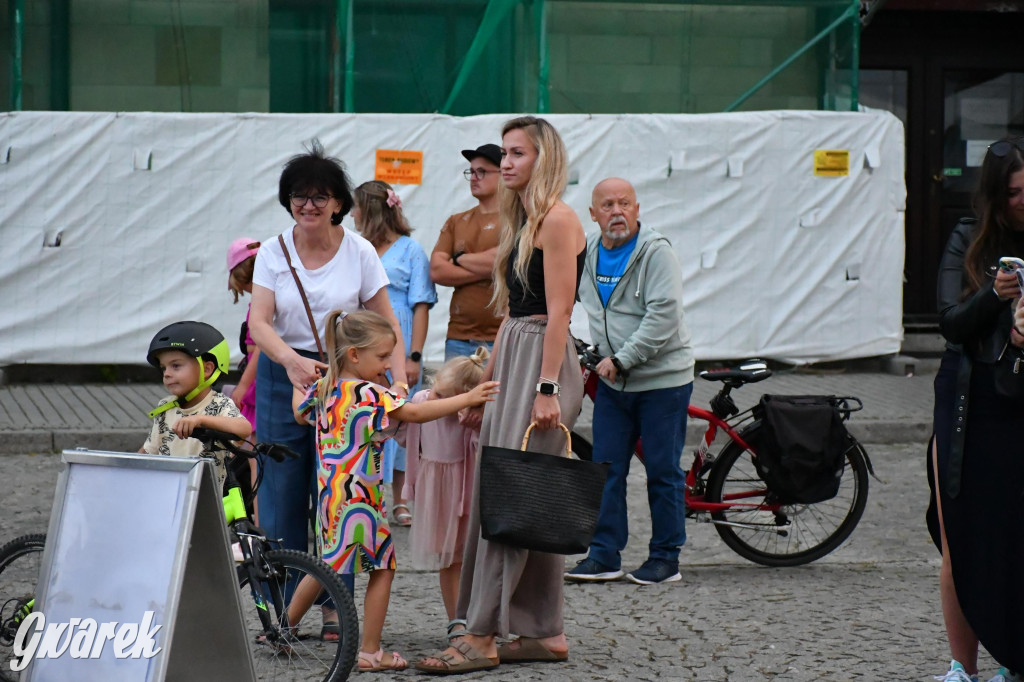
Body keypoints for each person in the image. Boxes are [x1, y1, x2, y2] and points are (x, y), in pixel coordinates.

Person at [416, 115, 586, 674]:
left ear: (544, 159)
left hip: (543, 361)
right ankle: (543, 631)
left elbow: (558, 310)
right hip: (515, 355)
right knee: (524, 496)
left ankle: (483, 634)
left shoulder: (558, 220)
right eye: (504, 153)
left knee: (512, 498)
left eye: (517, 154)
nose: (505, 162)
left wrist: (544, 389)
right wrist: (489, 381)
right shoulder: (523, 220)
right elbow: (514, 311)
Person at [289, 310, 499, 672]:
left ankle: (283, 629)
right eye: (383, 356)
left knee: (325, 565)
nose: (389, 363)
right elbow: (414, 414)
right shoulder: (370, 392)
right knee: (382, 570)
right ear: (355, 355)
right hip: (362, 501)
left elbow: (299, 413)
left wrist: (298, 384)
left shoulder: (328, 388)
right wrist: (467, 399)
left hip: (331, 499)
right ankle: (370, 652)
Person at [249, 140, 409, 569]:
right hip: (280, 373)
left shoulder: (359, 250)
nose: (309, 204)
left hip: (345, 375)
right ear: (288, 200)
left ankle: (334, 605)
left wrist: (399, 383)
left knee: (339, 490)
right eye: (299, 195)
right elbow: (259, 323)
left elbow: (388, 322)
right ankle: (283, 608)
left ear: (339, 202)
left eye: (320, 196)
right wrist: (290, 361)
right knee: (281, 488)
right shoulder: (272, 251)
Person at [927, 135, 1024, 682]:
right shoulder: (969, 239)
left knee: (1015, 538)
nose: (1023, 201)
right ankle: (961, 667)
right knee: (960, 537)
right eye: (1014, 193)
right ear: (995, 194)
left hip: (1021, 402)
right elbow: (950, 324)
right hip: (971, 404)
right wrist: (996, 294)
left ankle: (1014, 658)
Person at [564, 177, 694, 586]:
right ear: (593, 213)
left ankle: (665, 558)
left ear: (637, 209)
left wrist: (622, 359)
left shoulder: (656, 253)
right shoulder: (587, 252)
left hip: (661, 382)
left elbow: (663, 315)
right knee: (606, 469)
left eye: (624, 203)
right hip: (613, 384)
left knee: (662, 471)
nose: (616, 211)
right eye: (607, 205)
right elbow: (565, 298)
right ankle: (604, 555)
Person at [352, 180, 437, 527]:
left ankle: (401, 498)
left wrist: (412, 356)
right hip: (364, 341)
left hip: (397, 340)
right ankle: (366, 494)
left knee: (403, 423)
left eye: (356, 207)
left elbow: (420, 305)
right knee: (367, 421)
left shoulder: (411, 250)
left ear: (370, 210)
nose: (352, 214)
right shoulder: (354, 248)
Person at [396, 347, 489, 643]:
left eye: (442, 396)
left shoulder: (470, 418)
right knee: (448, 559)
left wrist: (475, 424)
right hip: (435, 493)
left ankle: (480, 616)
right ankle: (456, 619)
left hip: (465, 492)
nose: (433, 398)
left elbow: (481, 448)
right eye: (434, 390)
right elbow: (402, 435)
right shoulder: (423, 401)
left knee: (471, 556)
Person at [141, 321, 252, 488]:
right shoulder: (166, 407)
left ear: (207, 369)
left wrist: (200, 420)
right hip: (167, 493)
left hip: (204, 500)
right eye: (164, 368)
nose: (167, 374)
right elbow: (148, 451)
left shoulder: (219, 404)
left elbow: (244, 429)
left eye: (176, 366)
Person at [430, 144, 504, 361]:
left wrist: (459, 259)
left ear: (503, 175)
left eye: (482, 172)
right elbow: (436, 270)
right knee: (453, 395)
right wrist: (489, 269)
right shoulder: (457, 221)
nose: (474, 177)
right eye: (471, 172)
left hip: (502, 336)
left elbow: (504, 261)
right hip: (458, 337)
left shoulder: (517, 219)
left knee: (497, 396)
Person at [226, 237, 261, 431]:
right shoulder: (268, 300)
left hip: (257, 381)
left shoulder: (259, 306)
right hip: (259, 379)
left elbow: (260, 350)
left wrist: (243, 384)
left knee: (252, 435)